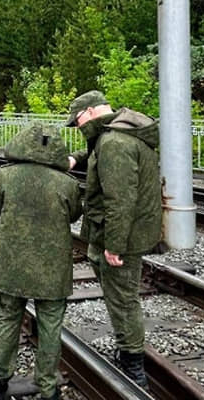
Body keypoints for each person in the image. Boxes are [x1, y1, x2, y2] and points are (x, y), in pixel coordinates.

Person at [65, 90, 161, 389]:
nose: (78, 128)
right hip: (117, 230)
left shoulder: (114, 144)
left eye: (78, 121)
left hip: (123, 235)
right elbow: (97, 154)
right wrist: (74, 158)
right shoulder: (114, 134)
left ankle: (134, 367)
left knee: (123, 299)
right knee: (118, 291)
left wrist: (114, 246)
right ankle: (127, 347)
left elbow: (120, 200)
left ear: (91, 113)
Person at [0, 122, 82, 400]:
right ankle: (48, 388)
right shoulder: (67, 183)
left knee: (7, 318)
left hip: (11, 264)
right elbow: (74, 215)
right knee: (51, 325)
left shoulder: (5, 176)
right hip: (53, 268)